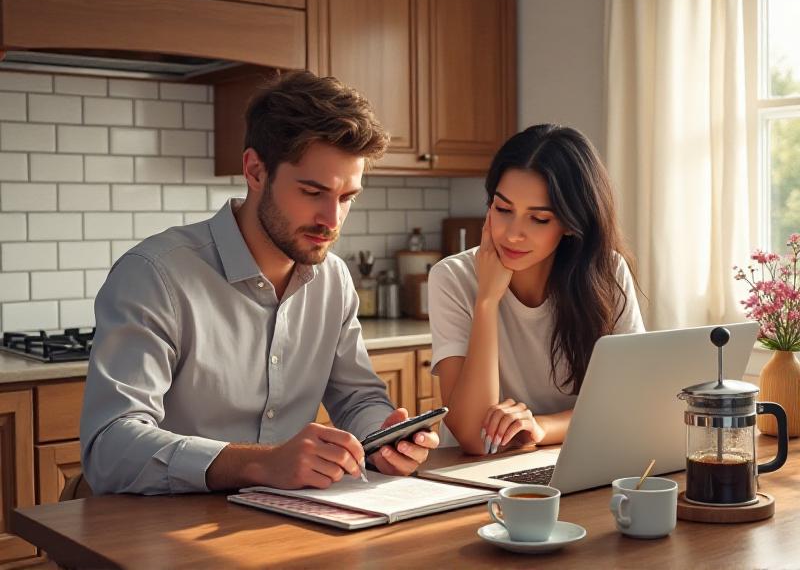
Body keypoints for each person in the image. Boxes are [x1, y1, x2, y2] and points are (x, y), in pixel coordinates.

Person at [81, 71, 439, 495]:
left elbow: (358, 399)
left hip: (290, 522)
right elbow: (109, 445)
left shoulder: (334, 280)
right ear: (255, 170)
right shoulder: (155, 275)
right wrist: (261, 464)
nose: (332, 219)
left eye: (347, 198)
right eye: (312, 191)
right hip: (165, 528)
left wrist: (385, 438)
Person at [428, 124, 644, 456]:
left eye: (538, 219)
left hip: (567, 459)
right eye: (502, 210)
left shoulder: (608, 272)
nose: (513, 234)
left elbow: (627, 407)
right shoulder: (453, 278)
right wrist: (487, 301)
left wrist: (540, 427)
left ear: (571, 223)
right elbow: (473, 436)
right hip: (468, 475)